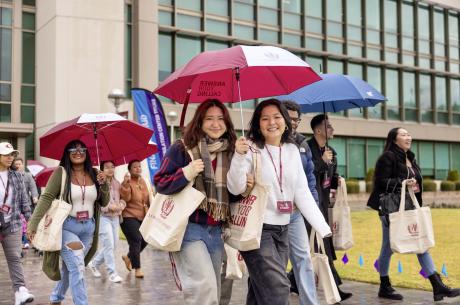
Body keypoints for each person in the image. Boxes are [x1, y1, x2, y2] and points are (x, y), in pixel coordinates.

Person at [227, 99, 331, 305]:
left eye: (276, 117)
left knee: (260, 289)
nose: (271, 122)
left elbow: (301, 191)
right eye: (264, 118)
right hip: (258, 230)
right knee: (278, 288)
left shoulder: (292, 150)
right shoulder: (250, 149)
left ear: (285, 121)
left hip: (283, 229)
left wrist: (322, 227)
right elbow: (235, 187)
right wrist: (239, 156)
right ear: (258, 124)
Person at [154, 99, 237, 305]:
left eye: (220, 119)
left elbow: (231, 196)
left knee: (214, 291)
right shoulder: (182, 148)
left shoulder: (231, 152)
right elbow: (160, 183)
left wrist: (246, 185)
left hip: (217, 231)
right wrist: (186, 172)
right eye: (209, 119)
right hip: (189, 229)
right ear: (199, 122)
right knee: (205, 288)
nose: (215, 124)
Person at [367, 127, 460, 302]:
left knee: (419, 243)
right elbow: (381, 181)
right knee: (388, 246)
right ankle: (385, 285)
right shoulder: (388, 157)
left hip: (409, 207)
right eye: (403, 134)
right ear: (394, 140)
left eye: (408, 134)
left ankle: (437, 285)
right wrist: (402, 182)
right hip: (391, 209)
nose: (408, 137)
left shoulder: (410, 157)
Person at [27, 140, 110, 305]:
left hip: (88, 228)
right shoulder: (61, 173)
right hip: (67, 227)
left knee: (70, 266)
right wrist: (33, 224)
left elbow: (105, 202)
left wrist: (104, 183)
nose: (78, 152)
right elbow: (46, 197)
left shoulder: (95, 173)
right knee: (78, 267)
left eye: (82, 149)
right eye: (74, 149)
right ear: (67, 153)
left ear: (87, 153)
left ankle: (56, 298)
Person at [307, 114, 352, 301]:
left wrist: (337, 179)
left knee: (317, 245)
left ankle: (293, 280)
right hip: (309, 205)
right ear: (318, 130)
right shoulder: (307, 149)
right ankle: (335, 287)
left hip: (324, 204)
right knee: (321, 244)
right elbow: (306, 173)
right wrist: (322, 161)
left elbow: (330, 177)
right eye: (328, 126)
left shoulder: (331, 150)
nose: (332, 129)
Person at [282, 100, 320, 305]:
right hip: (271, 215)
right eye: (289, 118)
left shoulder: (302, 144)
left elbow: (309, 178)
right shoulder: (265, 142)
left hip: (295, 213)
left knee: (303, 259)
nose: (293, 123)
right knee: (274, 265)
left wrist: (312, 208)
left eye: (297, 119)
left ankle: (310, 302)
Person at [0, 142, 34, 305]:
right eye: (6, 154)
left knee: (14, 257)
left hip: (12, 223)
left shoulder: (18, 176)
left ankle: (20, 290)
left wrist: (31, 222)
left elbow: (24, 202)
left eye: (12, 154)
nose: (10, 157)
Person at [88, 160, 125, 283]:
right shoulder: (98, 184)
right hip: (103, 218)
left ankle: (94, 263)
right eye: (107, 167)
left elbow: (123, 199)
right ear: (102, 169)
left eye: (112, 167)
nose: (110, 169)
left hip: (115, 218)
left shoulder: (117, 183)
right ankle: (112, 273)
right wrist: (111, 207)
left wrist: (121, 205)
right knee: (109, 244)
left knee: (113, 245)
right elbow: (99, 203)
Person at [119, 159, 150, 279]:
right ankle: (138, 269)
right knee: (136, 240)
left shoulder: (144, 181)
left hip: (143, 215)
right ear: (130, 170)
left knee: (145, 239)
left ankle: (128, 257)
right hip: (128, 216)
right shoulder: (126, 182)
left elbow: (147, 198)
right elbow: (125, 198)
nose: (138, 169)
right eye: (135, 167)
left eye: (139, 166)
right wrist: (126, 185)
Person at [12, 157, 39, 249]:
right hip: (14, 205)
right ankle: (19, 241)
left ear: (22, 165)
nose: (18, 166)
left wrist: (35, 197)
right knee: (18, 224)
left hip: (26, 204)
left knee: (28, 223)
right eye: (16, 164)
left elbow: (33, 187)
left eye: (19, 164)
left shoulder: (27, 175)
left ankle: (28, 241)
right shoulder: (11, 175)